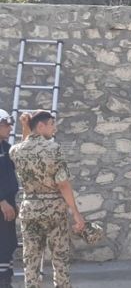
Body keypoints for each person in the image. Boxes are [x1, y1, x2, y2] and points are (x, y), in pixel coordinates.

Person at [10, 111, 85, 288]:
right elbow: (63, 184)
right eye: (51, 124)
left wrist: (25, 127)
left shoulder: (16, 150)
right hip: (54, 210)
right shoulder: (54, 149)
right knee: (60, 260)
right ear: (41, 126)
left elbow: (25, 147)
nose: (54, 128)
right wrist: (76, 214)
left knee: (31, 260)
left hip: (29, 209)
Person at [0, 110, 19, 288]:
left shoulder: (5, 148)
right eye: (6, 125)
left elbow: (19, 157)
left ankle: (6, 280)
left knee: (9, 243)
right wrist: (2, 201)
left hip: (8, 202)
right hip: (2, 203)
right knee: (2, 243)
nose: (10, 128)